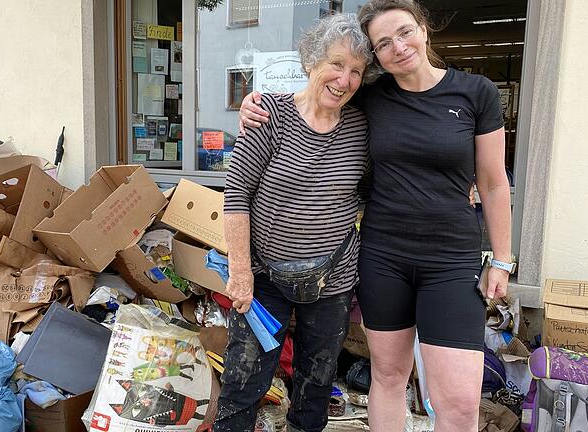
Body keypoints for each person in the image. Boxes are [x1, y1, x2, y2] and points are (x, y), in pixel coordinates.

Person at [239, 1, 513, 430]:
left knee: (458, 401)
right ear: (377, 58)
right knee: (387, 377)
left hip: (452, 260)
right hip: (385, 257)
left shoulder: (476, 93)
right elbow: (320, 90)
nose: (397, 47)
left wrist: (501, 259)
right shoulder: (370, 96)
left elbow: (495, 184)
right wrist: (256, 104)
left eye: (404, 32)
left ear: (424, 30)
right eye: (383, 43)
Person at [215, 13, 373, 432]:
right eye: (336, 64)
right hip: (264, 277)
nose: (345, 79)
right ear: (311, 62)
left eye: (356, 71)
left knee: (316, 386)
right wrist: (240, 272)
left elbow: (381, 182)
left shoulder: (362, 126)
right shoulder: (269, 115)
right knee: (243, 383)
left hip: (332, 282)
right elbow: (236, 194)